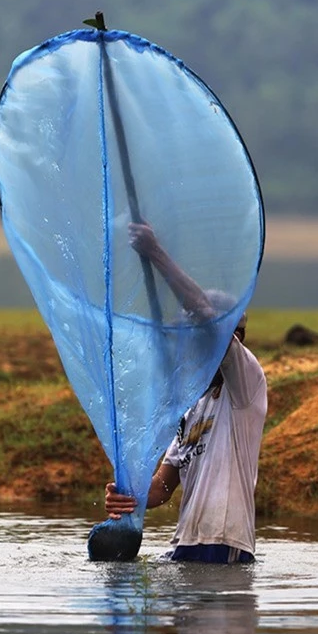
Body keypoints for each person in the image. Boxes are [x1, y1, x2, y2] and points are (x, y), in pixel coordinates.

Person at [104, 222, 267, 564]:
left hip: (224, 547)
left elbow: (208, 321)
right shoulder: (192, 407)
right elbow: (162, 489)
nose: (190, 349)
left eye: (198, 340)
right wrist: (126, 496)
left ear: (234, 338)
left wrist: (156, 254)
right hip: (185, 548)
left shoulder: (245, 386)